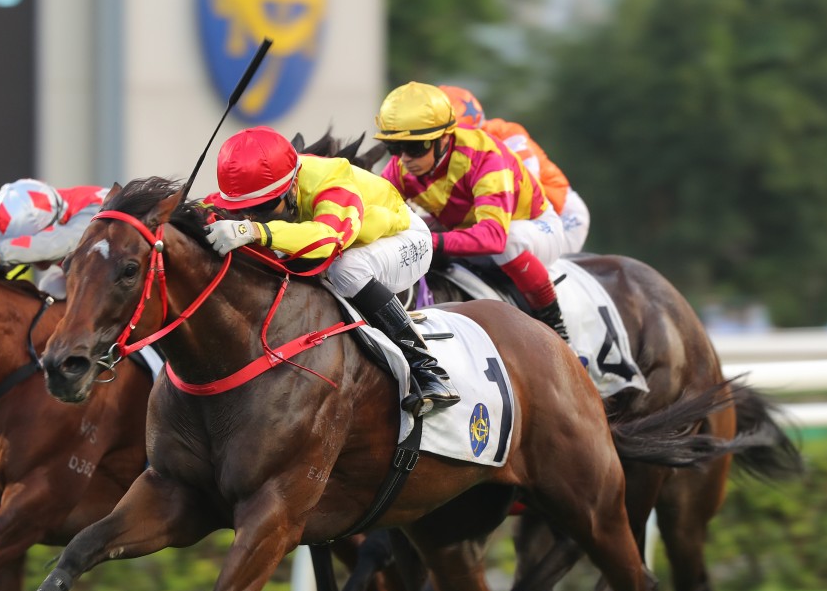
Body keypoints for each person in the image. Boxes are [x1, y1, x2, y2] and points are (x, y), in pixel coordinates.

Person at [202, 126, 458, 415]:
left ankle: (428, 369)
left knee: (346, 268)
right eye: (242, 209)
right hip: (351, 242)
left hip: (401, 237)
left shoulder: (331, 179)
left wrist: (253, 230)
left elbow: (328, 240)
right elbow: (202, 209)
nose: (252, 216)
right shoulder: (262, 191)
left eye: (263, 207)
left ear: (293, 186)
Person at [374, 81, 569, 341]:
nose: (405, 158)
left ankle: (555, 326)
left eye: (415, 147)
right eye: (395, 148)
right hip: (467, 230)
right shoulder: (402, 165)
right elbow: (376, 211)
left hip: (532, 228)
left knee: (509, 240)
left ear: (445, 138)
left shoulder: (486, 157)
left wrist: (429, 241)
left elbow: (493, 237)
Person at [439, 84, 590, 254]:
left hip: (561, 216)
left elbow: (521, 190)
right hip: (520, 218)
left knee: (504, 243)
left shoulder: (509, 136)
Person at [0, 179, 109, 299]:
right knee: (53, 288)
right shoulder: (60, 208)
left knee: (58, 288)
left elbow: (54, 244)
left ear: (58, 222)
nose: (32, 259)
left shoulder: (97, 209)